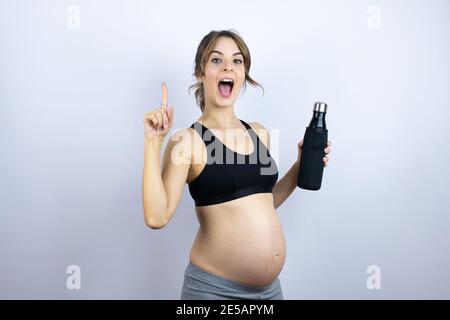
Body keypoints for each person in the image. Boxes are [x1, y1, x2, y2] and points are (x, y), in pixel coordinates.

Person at [142, 30, 331, 300]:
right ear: (200, 72)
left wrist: (300, 166)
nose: (228, 66)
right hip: (214, 292)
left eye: (237, 61)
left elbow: (266, 202)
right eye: (216, 60)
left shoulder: (259, 133)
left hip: (270, 293)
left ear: (243, 75)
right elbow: (156, 217)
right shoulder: (188, 141)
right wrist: (153, 142)